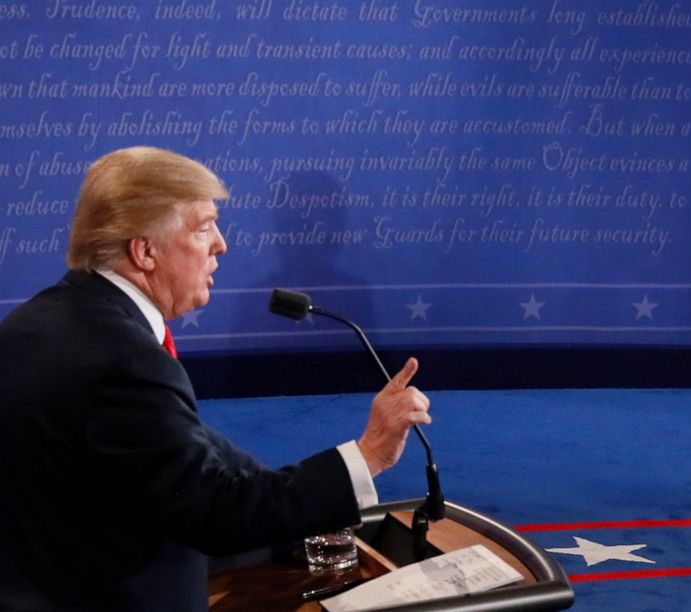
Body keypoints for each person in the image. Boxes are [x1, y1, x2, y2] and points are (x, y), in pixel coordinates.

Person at [0, 146, 432, 610]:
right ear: (145, 250)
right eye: (203, 227)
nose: (221, 244)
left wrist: (304, 503)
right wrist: (367, 456)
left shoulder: (37, 320)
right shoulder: (123, 360)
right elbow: (215, 514)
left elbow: (188, 445)